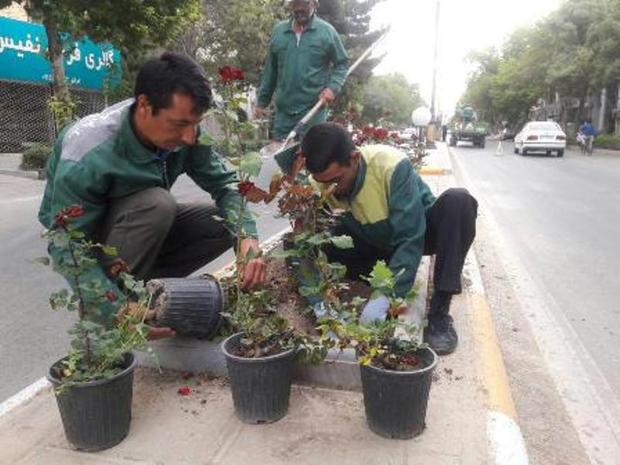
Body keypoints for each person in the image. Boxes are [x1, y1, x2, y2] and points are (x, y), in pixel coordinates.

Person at [38, 52, 266, 337]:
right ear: (144, 105)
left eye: (195, 124)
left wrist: (247, 240)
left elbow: (225, 185)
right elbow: (66, 245)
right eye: (180, 124)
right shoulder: (87, 153)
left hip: (136, 227)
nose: (189, 138)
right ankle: (111, 317)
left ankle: (146, 299)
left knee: (220, 222)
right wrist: (115, 310)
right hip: (90, 237)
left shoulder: (187, 134)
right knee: (156, 205)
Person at [300, 123, 478, 355]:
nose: (330, 189)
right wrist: (320, 306)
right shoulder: (319, 184)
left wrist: (385, 298)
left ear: (354, 158)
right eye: (322, 182)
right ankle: (347, 296)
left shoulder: (390, 165)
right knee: (307, 240)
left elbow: (410, 238)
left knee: (459, 201)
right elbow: (306, 243)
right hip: (374, 245)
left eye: (336, 180)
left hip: (417, 235)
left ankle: (439, 313)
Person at [255, 0, 348, 152]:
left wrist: (333, 88)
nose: (299, 8)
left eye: (304, 3)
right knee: (281, 162)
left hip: (313, 112)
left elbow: (342, 64)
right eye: (295, 3)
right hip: (284, 114)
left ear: (314, 4)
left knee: (313, 158)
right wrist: (261, 102)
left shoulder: (327, 32)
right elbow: (270, 70)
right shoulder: (279, 31)